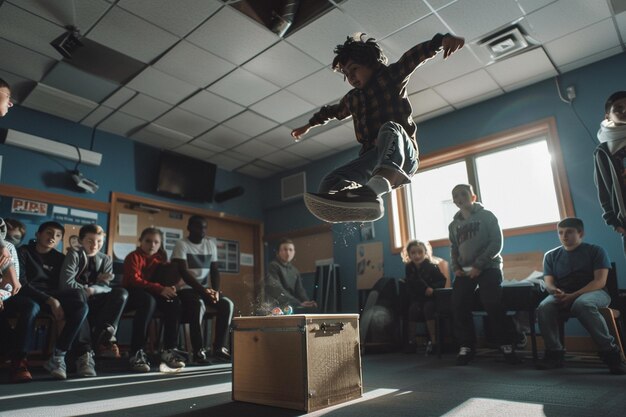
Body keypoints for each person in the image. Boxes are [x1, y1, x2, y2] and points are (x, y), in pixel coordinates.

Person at [292, 32, 464, 223]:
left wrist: (441, 41)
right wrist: (308, 125)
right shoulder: (353, 98)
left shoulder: (390, 76)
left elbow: (412, 58)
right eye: (347, 74)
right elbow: (333, 111)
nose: (351, 77)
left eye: (354, 69)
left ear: (371, 63)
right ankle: (353, 202)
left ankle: (372, 191)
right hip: (373, 158)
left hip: (403, 155)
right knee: (329, 183)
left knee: (389, 128)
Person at [536, 217, 626, 374]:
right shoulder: (550, 256)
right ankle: (554, 353)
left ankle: (611, 354)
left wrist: (573, 296)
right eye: (560, 232)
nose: (564, 236)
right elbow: (548, 282)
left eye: (569, 232)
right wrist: (555, 291)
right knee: (544, 307)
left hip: (595, 293)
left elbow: (599, 281)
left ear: (580, 233)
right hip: (563, 294)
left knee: (582, 304)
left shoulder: (596, 251)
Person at [448, 184, 520, 366]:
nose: (459, 198)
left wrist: (479, 265)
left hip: (489, 267)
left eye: (463, 194)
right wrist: (455, 266)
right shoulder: (453, 225)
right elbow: (454, 248)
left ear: (473, 197)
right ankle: (467, 346)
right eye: (455, 196)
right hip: (464, 271)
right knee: (458, 303)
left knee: (492, 302)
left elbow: (496, 242)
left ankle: (506, 344)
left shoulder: (487, 216)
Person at [17, 221, 90, 380]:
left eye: (57, 236)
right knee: (31, 307)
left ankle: (59, 354)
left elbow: (66, 283)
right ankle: (20, 360)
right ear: (38, 234)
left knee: (81, 305)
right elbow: (21, 283)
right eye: (49, 233)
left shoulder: (60, 258)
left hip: (52, 295)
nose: (52, 238)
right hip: (28, 295)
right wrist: (51, 300)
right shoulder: (23, 251)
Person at [171, 216, 234, 364]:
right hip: (186, 289)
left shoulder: (210, 244)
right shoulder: (181, 244)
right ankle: (198, 351)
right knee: (199, 305)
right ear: (189, 228)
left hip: (204, 289)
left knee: (227, 304)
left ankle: (219, 348)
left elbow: (215, 270)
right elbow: (184, 273)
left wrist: (215, 292)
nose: (202, 230)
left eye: (205, 227)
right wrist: (204, 292)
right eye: (198, 227)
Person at [59, 224, 128, 359]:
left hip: (95, 297)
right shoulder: (74, 254)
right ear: (81, 241)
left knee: (121, 293)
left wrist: (93, 288)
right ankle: (85, 349)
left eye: (99, 241)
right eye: (90, 241)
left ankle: (104, 336)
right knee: (79, 296)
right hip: (76, 298)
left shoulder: (106, 258)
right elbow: (66, 283)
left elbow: (106, 286)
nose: (95, 245)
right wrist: (89, 288)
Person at [123, 227, 185, 373]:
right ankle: (137, 352)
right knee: (148, 301)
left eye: (156, 242)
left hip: (153, 292)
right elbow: (134, 280)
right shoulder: (132, 256)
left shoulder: (160, 260)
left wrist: (173, 287)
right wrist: (160, 288)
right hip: (133, 293)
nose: (152, 245)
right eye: (148, 241)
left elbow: (169, 280)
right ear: (140, 241)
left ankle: (169, 349)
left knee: (173, 302)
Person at [0, 217, 37, 383]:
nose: (9, 239)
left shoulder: (9, 248)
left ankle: (19, 359)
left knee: (31, 306)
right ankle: (6, 350)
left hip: (5, 295)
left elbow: (12, 285)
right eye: (7, 234)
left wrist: (1, 294)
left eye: (15, 237)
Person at [401, 240, 448, 354]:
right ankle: (412, 342)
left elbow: (442, 280)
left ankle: (434, 341)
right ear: (409, 254)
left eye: (420, 252)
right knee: (412, 310)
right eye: (413, 253)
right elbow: (412, 282)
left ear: (425, 253)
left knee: (428, 308)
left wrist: (432, 288)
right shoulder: (409, 268)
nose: (416, 255)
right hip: (417, 298)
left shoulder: (432, 266)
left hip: (430, 298)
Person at [593, 91, 626, 257]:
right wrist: (612, 221)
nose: (624, 111)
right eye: (619, 108)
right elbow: (603, 188)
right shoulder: (604, 151)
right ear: (608, 116)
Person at [265, 238, 318, 313]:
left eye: (290, 250)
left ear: (294, 252)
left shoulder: (294, 270)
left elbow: (300, 290)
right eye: (285, 249)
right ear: (278, 252)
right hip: (276, 308)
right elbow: (277, 289)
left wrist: (307, 302)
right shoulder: (273, 266)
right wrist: (298, 303)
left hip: (291, 306)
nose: (288, 252)